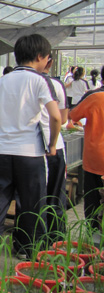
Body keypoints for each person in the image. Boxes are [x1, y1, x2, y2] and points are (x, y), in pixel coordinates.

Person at [0, 34, 61, 282]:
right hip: (30, 155)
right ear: (40, 57)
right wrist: (52, 145)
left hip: (1, 153)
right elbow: (56, 117)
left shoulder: (3, 81)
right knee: (33, 208)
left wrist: (6, 125)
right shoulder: (39, 81)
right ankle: (30, 260)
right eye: (47, 58)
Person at [40, 57, 68, 243]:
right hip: (54, 145)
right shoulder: (56, 85)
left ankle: (29, 242)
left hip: (29, 150)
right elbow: (62, 119)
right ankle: (55, 239)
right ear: (48, 62)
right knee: (55, 195)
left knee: (31, 197)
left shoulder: (15, 82)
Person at [70, 85, 104, 232]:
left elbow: (73, 115)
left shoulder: (94, 97)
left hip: (95, 158)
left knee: (92, 199)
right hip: (95, 158)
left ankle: (92, 234)